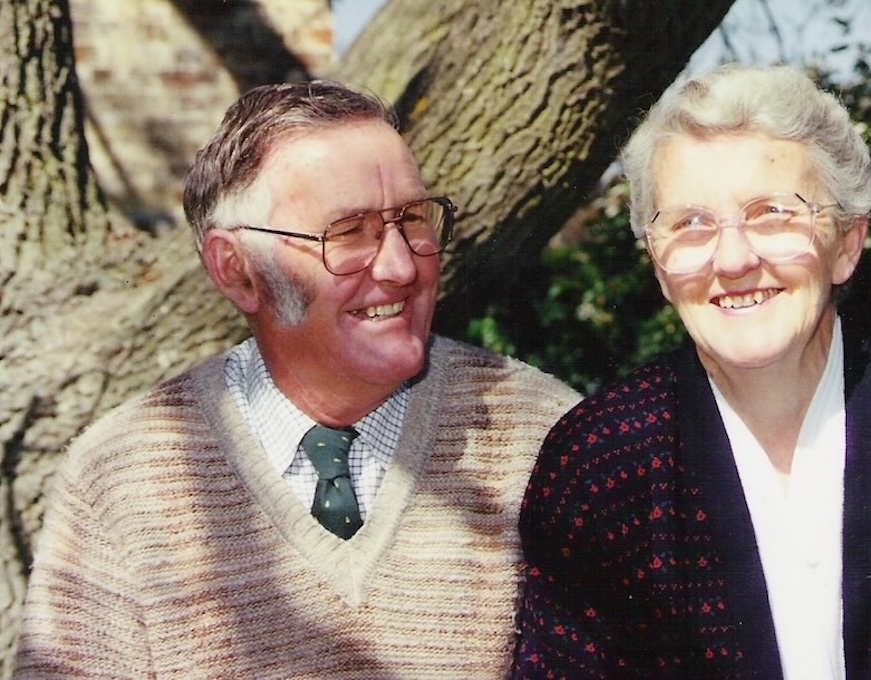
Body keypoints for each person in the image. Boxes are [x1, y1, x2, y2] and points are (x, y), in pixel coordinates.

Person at [15, 81, 580, 678]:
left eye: (413, 219)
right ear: (237, 271)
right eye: (348, 231)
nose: (400, 265)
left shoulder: (546, 440)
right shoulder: (123, 479)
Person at [512, 64, 871, 679]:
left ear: (847, 244)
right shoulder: (600, 463)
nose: (732, 259)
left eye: (773, 214)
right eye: (690, 224)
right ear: (657, 264)